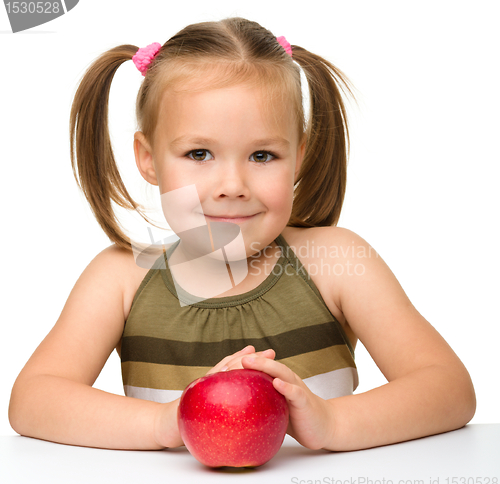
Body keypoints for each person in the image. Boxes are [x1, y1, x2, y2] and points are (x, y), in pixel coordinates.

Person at [8, 17, 475, 452]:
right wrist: (164, 423)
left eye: (262, 156)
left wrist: (332, 422)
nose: (232, 187)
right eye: (198, 153)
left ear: (298, 156)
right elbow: (32, 401)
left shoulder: (336, 263)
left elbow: (449, 389)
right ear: (148, 159)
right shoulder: (122, 278)